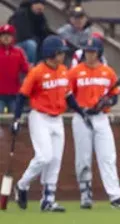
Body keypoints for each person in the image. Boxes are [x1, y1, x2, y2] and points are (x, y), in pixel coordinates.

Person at [12, 35, 92, 212]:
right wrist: (16, 119)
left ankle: (48, 199)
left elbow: (69, 96)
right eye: (60, 53)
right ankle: (22, 185)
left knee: (55, 160)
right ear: (50, 53)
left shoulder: (63, 70)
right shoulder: (37, 71)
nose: (63, 56)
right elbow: (21, 96)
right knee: (44, 156)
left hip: (57, 119)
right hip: (40, 117)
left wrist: (80, 112)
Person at [68, 36, 120, 210]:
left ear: (99, 53)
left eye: (93, 52)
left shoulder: (107, 72)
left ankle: (115, 196)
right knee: (83, 158)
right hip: (82, 117)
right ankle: (85, 194)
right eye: (87, 51)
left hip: (101, 118)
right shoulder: (75, 72)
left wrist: (107, 103)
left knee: (108, 156)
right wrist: (81, 109)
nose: (89, 55)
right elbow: (68, 96)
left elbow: (114, 96)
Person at [8, 0, 49, 64]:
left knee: (45, 47)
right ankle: (29, 66)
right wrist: (37, 39)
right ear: (33, 5)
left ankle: (38, 68)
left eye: (41, 10)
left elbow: (44, 32)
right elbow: (22, 33)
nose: (39, 11)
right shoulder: (22, 13)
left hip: (31, 41)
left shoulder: (41, 18)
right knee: (31, 44)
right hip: (16, 42)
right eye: (38, 9)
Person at [0, 25, 29, 113]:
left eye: (9, 35)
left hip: (14, 93)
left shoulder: (19, 52)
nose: (6, 37)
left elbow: (26, 69)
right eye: (3, 35)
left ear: (13, 37)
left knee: (16, 118)